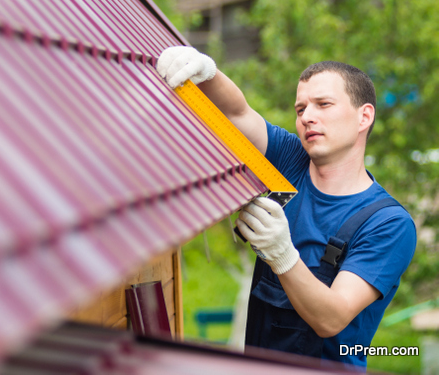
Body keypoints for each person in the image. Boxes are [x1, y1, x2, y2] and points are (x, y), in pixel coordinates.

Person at [156, 46, 416, 369]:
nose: (307, 116)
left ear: (364, 116)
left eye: (323, 104)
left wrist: (282, 253)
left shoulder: (388, 224)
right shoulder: (289, 162)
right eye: (300, 108)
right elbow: (237, 113)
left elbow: (331, 317)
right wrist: (207, 73)